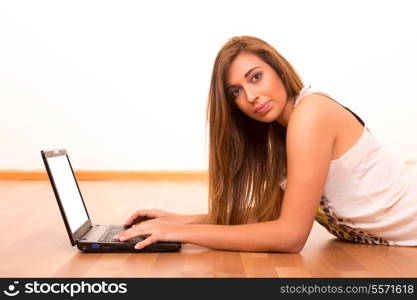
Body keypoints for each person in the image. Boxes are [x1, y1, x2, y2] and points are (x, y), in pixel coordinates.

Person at [115, 36, 417, 252]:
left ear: (279, 70)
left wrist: (182, 233)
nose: (250, 96)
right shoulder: (284, 135)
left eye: (256, 77)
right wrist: (183, 220)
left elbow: (289, 236)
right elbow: (274, 216)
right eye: (236, 91)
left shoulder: (311, 114)